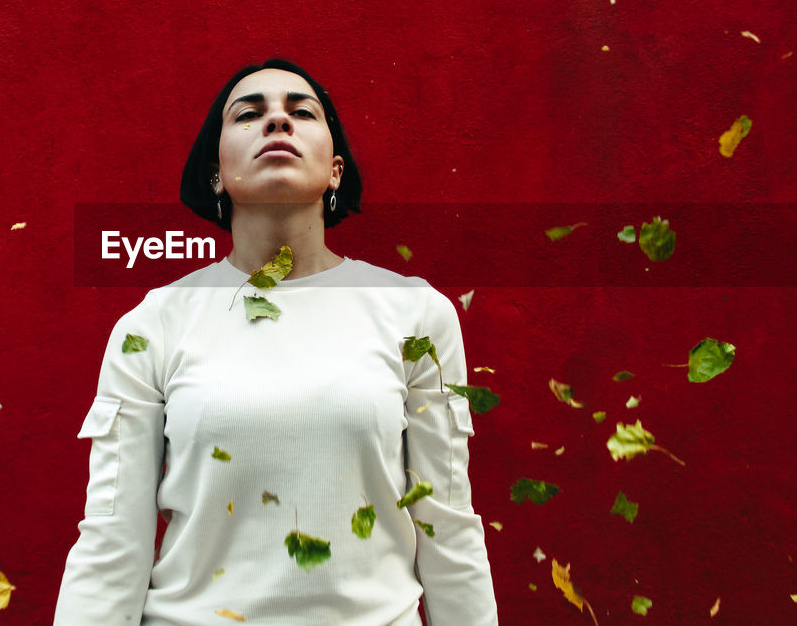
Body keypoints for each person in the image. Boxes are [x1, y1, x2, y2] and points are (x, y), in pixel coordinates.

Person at [54, 60, 498, 624]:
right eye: (249, 113)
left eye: (301, 111)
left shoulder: (416, 316)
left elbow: (448, 523)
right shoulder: (152, 326)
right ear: (216, 173)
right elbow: (112, 541)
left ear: (336, 170)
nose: (277, 122)